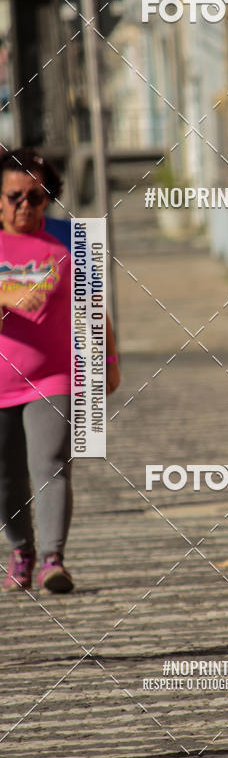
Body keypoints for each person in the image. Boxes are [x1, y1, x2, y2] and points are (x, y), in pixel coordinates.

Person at [0, 148, 120, 593]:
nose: (25, 205)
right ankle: (21, 549)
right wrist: (7, 296)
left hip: (53, 377)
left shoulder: (71, 239)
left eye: (36, 196)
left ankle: (53, 558)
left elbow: (93, 304)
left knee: (51, 462)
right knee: (6, 477)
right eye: (15, 196)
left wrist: (107, 361)